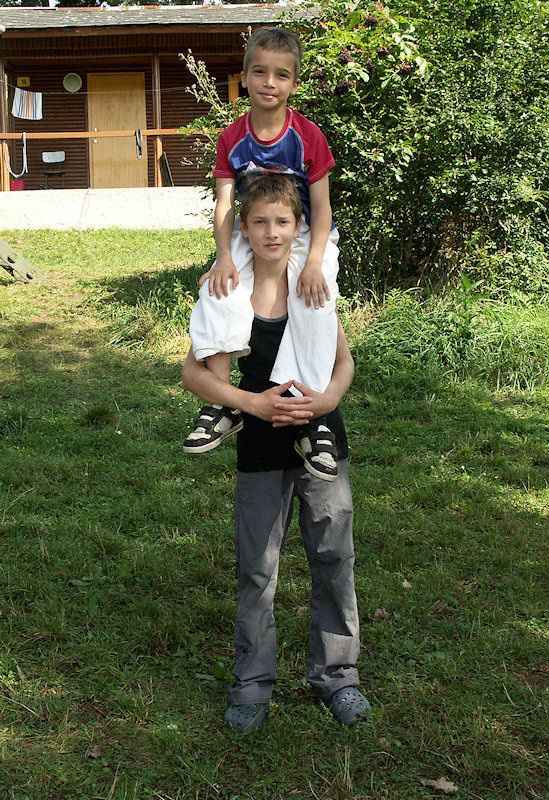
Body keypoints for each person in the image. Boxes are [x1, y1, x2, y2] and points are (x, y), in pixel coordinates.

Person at [182, 175, 370, 732]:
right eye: (259, 221)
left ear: (298, 228)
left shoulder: (312, 284)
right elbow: (194, 372)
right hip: (260, 443)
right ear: (242, 228)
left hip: (320, 438)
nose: (271, 232)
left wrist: (324, 402)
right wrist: (252, 404)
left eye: (282, 222)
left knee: (333, 556)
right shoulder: (228, 287)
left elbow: (343, 363)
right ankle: (252, 684)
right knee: (258, 567)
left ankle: (337, 677)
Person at [184, 27, 341, 482]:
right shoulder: (232, 137)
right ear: (245, 76)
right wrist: (223, 258)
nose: (269, 82)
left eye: (281, 75)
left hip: (302, 231)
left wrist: (314, 262)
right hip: (251, 229)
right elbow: (225, 204)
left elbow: (322, 207)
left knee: (315, 299)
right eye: (260, 72)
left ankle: (312, 418)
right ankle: (221, 401)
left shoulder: (308, 135)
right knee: (219, 290)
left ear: (294, 83)